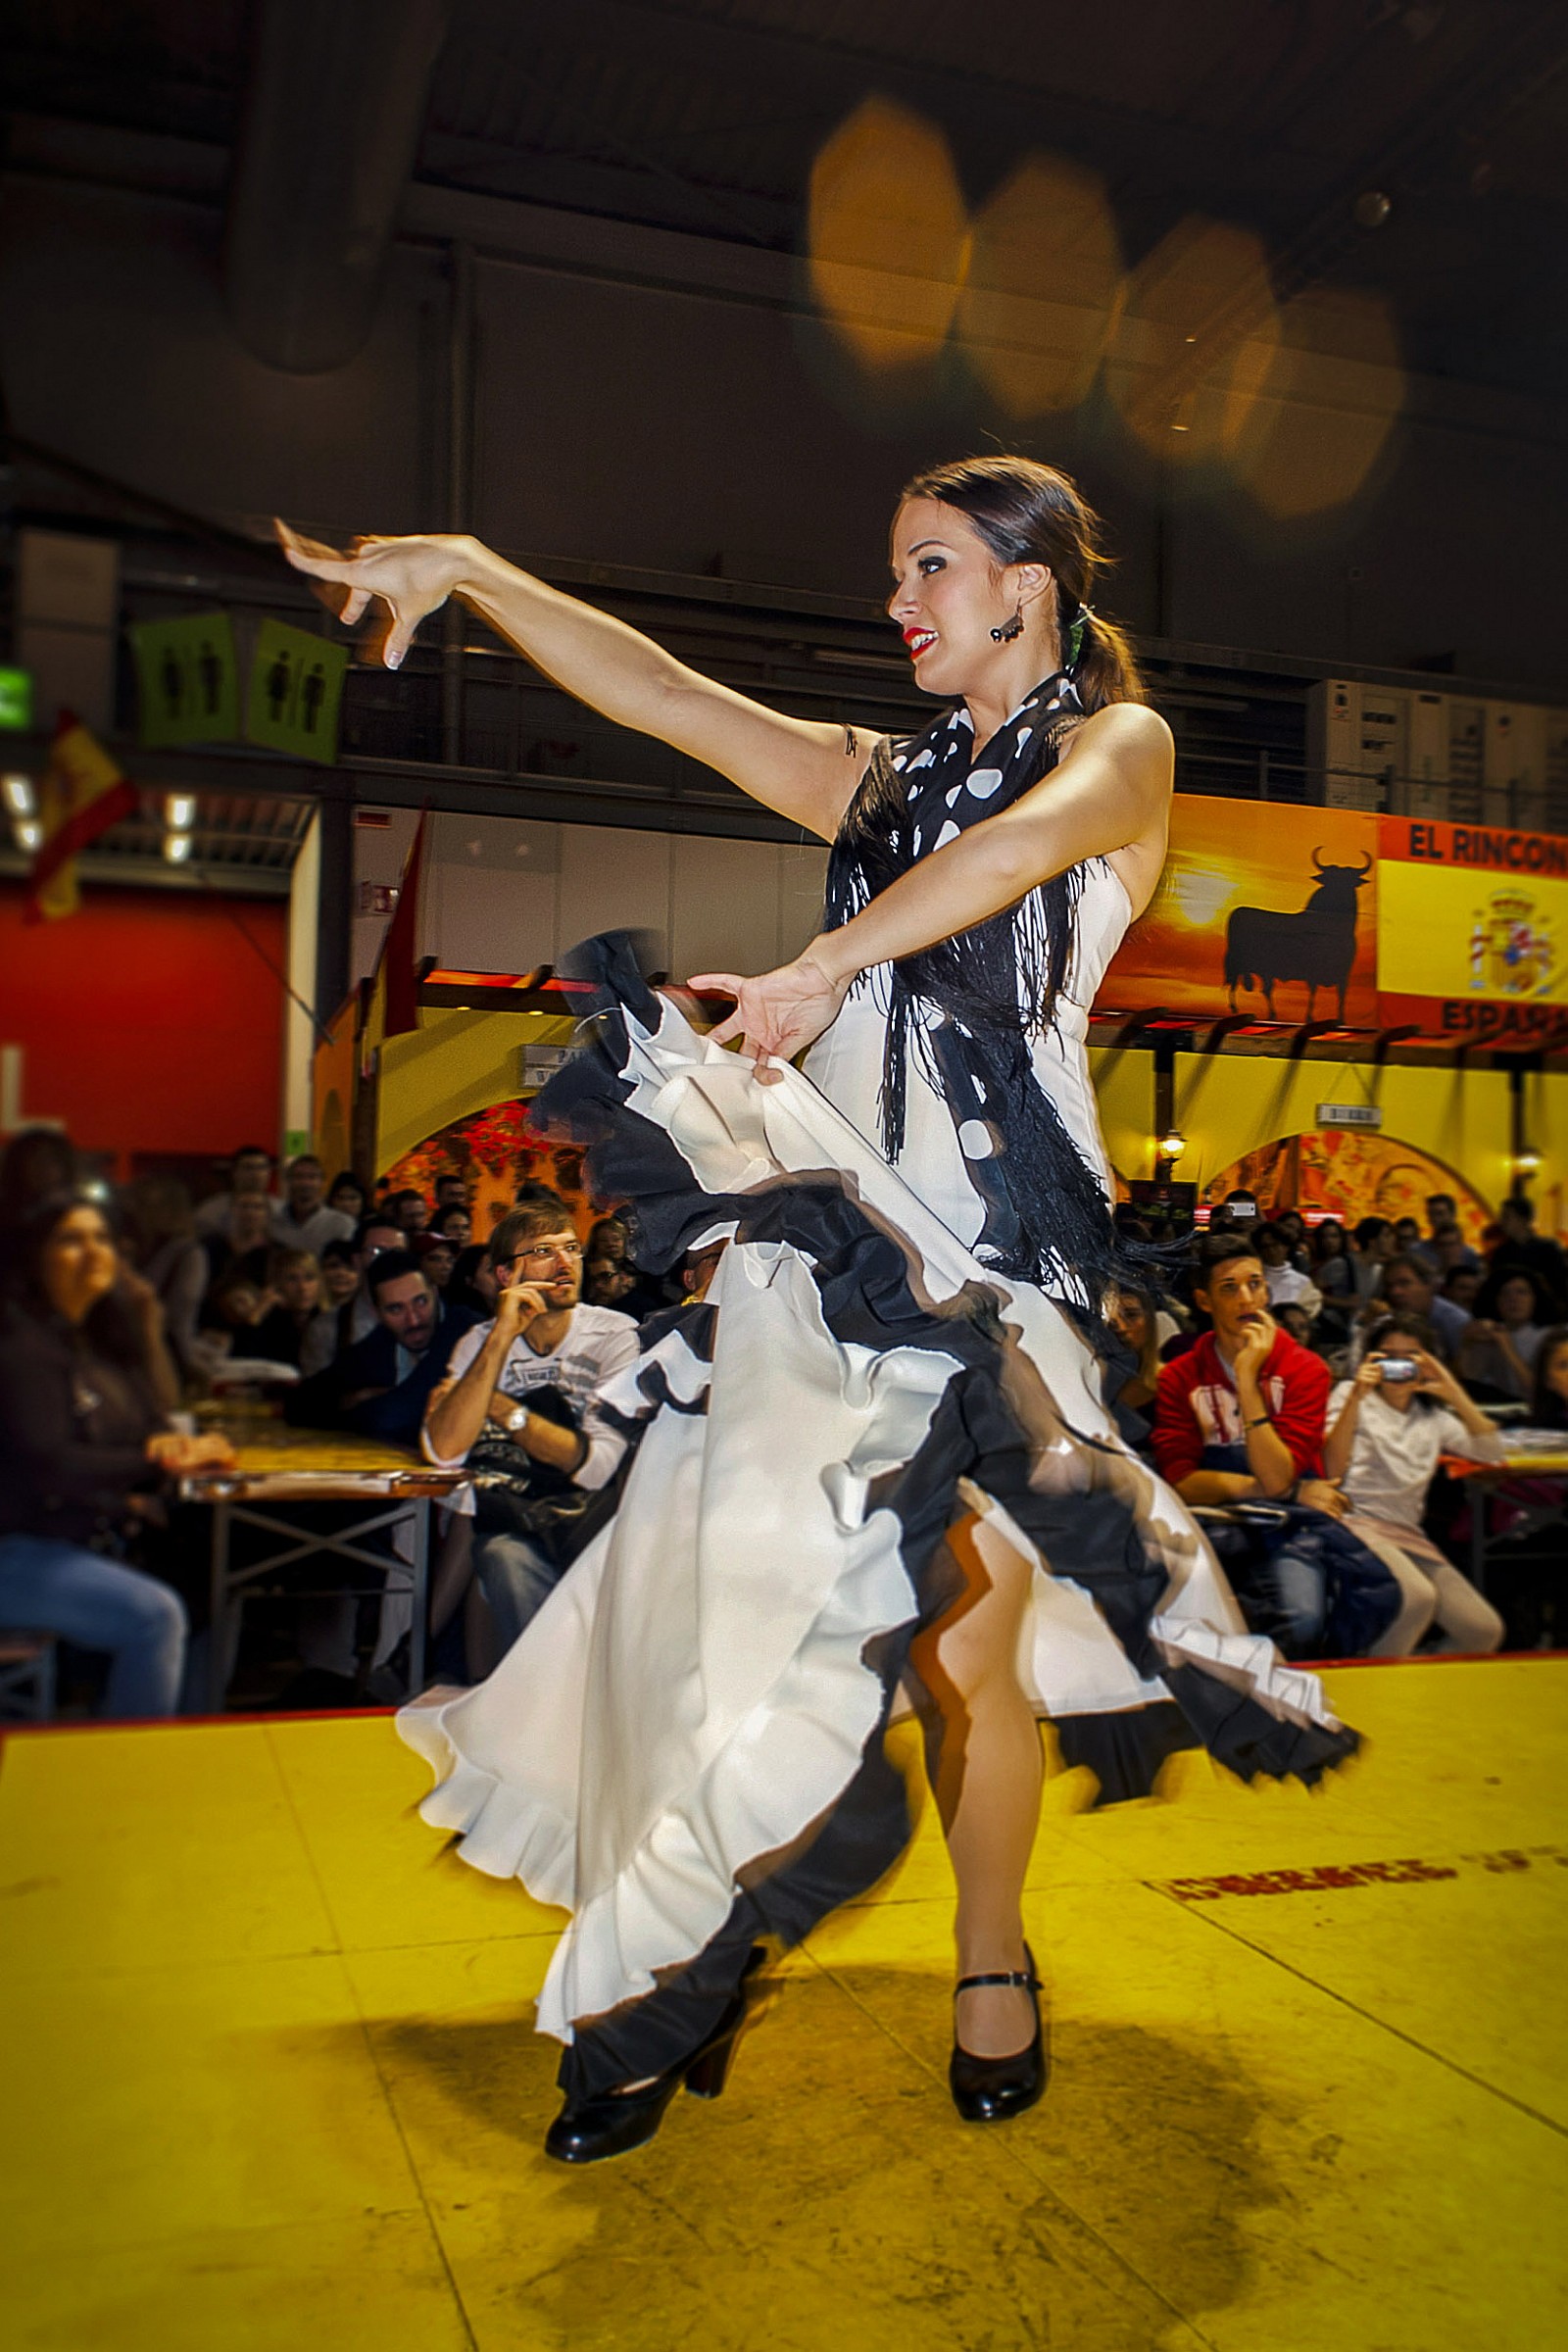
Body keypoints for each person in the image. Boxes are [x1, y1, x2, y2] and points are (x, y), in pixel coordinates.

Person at [282, 453, 1357, 2167]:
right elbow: (665, 692)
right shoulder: (869, 780)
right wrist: (472, 567)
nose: (899, 602)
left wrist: (824, 968)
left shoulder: (1122, 749)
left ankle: (986, 1954)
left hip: (1004, 1257)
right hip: (835, 1244)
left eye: (930, 567)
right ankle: (691, 1954)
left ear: (1031, 585)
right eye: (898, 572)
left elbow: (1018, 849)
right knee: (740, 1605)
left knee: (964, 1649)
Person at [0, 1193, 234, 1716]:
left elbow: (153, 1421)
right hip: (19, 1547)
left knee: (208, 1590)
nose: (92, 1251)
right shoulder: (21, 1345)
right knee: (155, 1616)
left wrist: (148, 1322)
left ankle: (178, 1753)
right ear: (35, 1255)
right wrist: (156, 1461)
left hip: (79, 1537)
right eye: (71, 1239)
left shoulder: (96, 1342)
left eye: (101, 1238)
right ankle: (133, 1776)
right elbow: (50, 1464)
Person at [1151, 1235, 1396, 1657]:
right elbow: (1182, 1480)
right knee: (1168, 1616)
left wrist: (1247, 1382)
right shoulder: (1178, 1377)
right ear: (1204, 1301)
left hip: (1286, 1528)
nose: (1247, 1299)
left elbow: (1277, 1474)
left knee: (1301, 1620)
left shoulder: (1305, 1369)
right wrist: (1288, 1490)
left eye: (1255, 1284)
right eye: (1229, 1288)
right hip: (1214, 1519)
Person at [422, 1196, 641, 1649]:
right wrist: (503, 1334)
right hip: (517, 1515)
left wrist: (498, 1408)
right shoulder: (480, 1342)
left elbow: (597, 1466)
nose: (565, 1263)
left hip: (597, 1516)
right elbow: (445, 1453)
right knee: (499, 1552)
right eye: (543, 1251)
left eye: (571, 1248)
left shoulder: (615, 1334)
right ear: (506, 1275)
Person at [1324, 1312, 1504, 1654]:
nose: (1398, 1366)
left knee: (1482, 1630)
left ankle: (1419, 1683)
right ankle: (1380, 1691)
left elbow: (1491, 1453)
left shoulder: (1433, 1417)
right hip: (1353, 1520)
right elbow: (1332, 1466)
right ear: (1370, 1360)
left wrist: (1453, 1392)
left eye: (1410, 1357)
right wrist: (1356, 1396)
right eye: (1388, 1356)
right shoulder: (1351, 1394)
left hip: (1406, 1532)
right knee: (1417, 1597)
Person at [287, 1250, 478, 1446]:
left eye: (420, 1301)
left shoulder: (466, 1330)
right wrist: (354, 1397)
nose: (413, 1319)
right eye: (396, 1309)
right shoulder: (382, 1340)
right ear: (376, 1313)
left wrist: (360, 1407)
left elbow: (393, 1418)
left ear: (435, 1293)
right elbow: (299, 1404)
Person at [120, 1174, 207, 1380]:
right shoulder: (140, 1248)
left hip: (165, 1355)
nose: (138, 1212)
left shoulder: (186, 1252)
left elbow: (179, 1316)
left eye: (148, 1205)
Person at [1456, 1269, 1550, 1402]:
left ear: (1535, 1298)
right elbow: (1469, 1381)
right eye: (1505, 1293)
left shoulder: (1550, 1336)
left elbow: (1538, 1393)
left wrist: (1507, 1346)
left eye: (1522, 1292)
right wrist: (1467, 1343)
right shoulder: (1492, 1332)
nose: (1513, 1299)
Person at [1379, 1252, 1471, 1364]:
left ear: (1429, 1285)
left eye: (1404, 1283)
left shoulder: (1456, 1322)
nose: (1395, 1292)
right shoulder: (1386, 1319)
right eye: (1390, 1286)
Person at [1487, 1196, 1568, 1318]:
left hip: (1543, 1312)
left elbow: (1559, 1284)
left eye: (1507, 1216)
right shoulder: (1501, 1252)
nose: (1502, 1221)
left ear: (1523, 1220)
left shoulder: (1548, 1249)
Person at [249, 1249, 330, 1369]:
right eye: (292, 1279)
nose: (303, 1287)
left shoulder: (331, 1320)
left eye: (309, 1278)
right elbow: (247, 1360)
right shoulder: (272, 1322)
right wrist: (258, 1312)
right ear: (278, 1285)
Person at [272, 1153, 357, 1256]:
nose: (305, 1183)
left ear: (322, 1182)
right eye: (299, 1177)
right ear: (288, 1181)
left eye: (312, 1177)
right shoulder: (273, 1221)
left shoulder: (341, 1224)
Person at [194, 1144, 276, 1237]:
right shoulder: (210, 1211)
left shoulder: (281, 1211)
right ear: (235, 1172)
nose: (256, 1174)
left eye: (261, 1167)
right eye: (249, 1167)